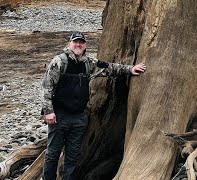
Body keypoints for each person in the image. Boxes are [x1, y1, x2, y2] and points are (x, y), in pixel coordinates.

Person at [41, 31, 146, 180]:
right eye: (75, 42)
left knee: (72, 157)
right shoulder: (59, 62)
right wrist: (48, 112)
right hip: (59, 117)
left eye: (81, 42)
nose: (78, 45)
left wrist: (130, 69)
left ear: (85, 46)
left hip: (79, 119)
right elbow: (47, 87)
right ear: (69, 44)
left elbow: (109, 68)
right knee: (52, 154)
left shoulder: (89, 63)